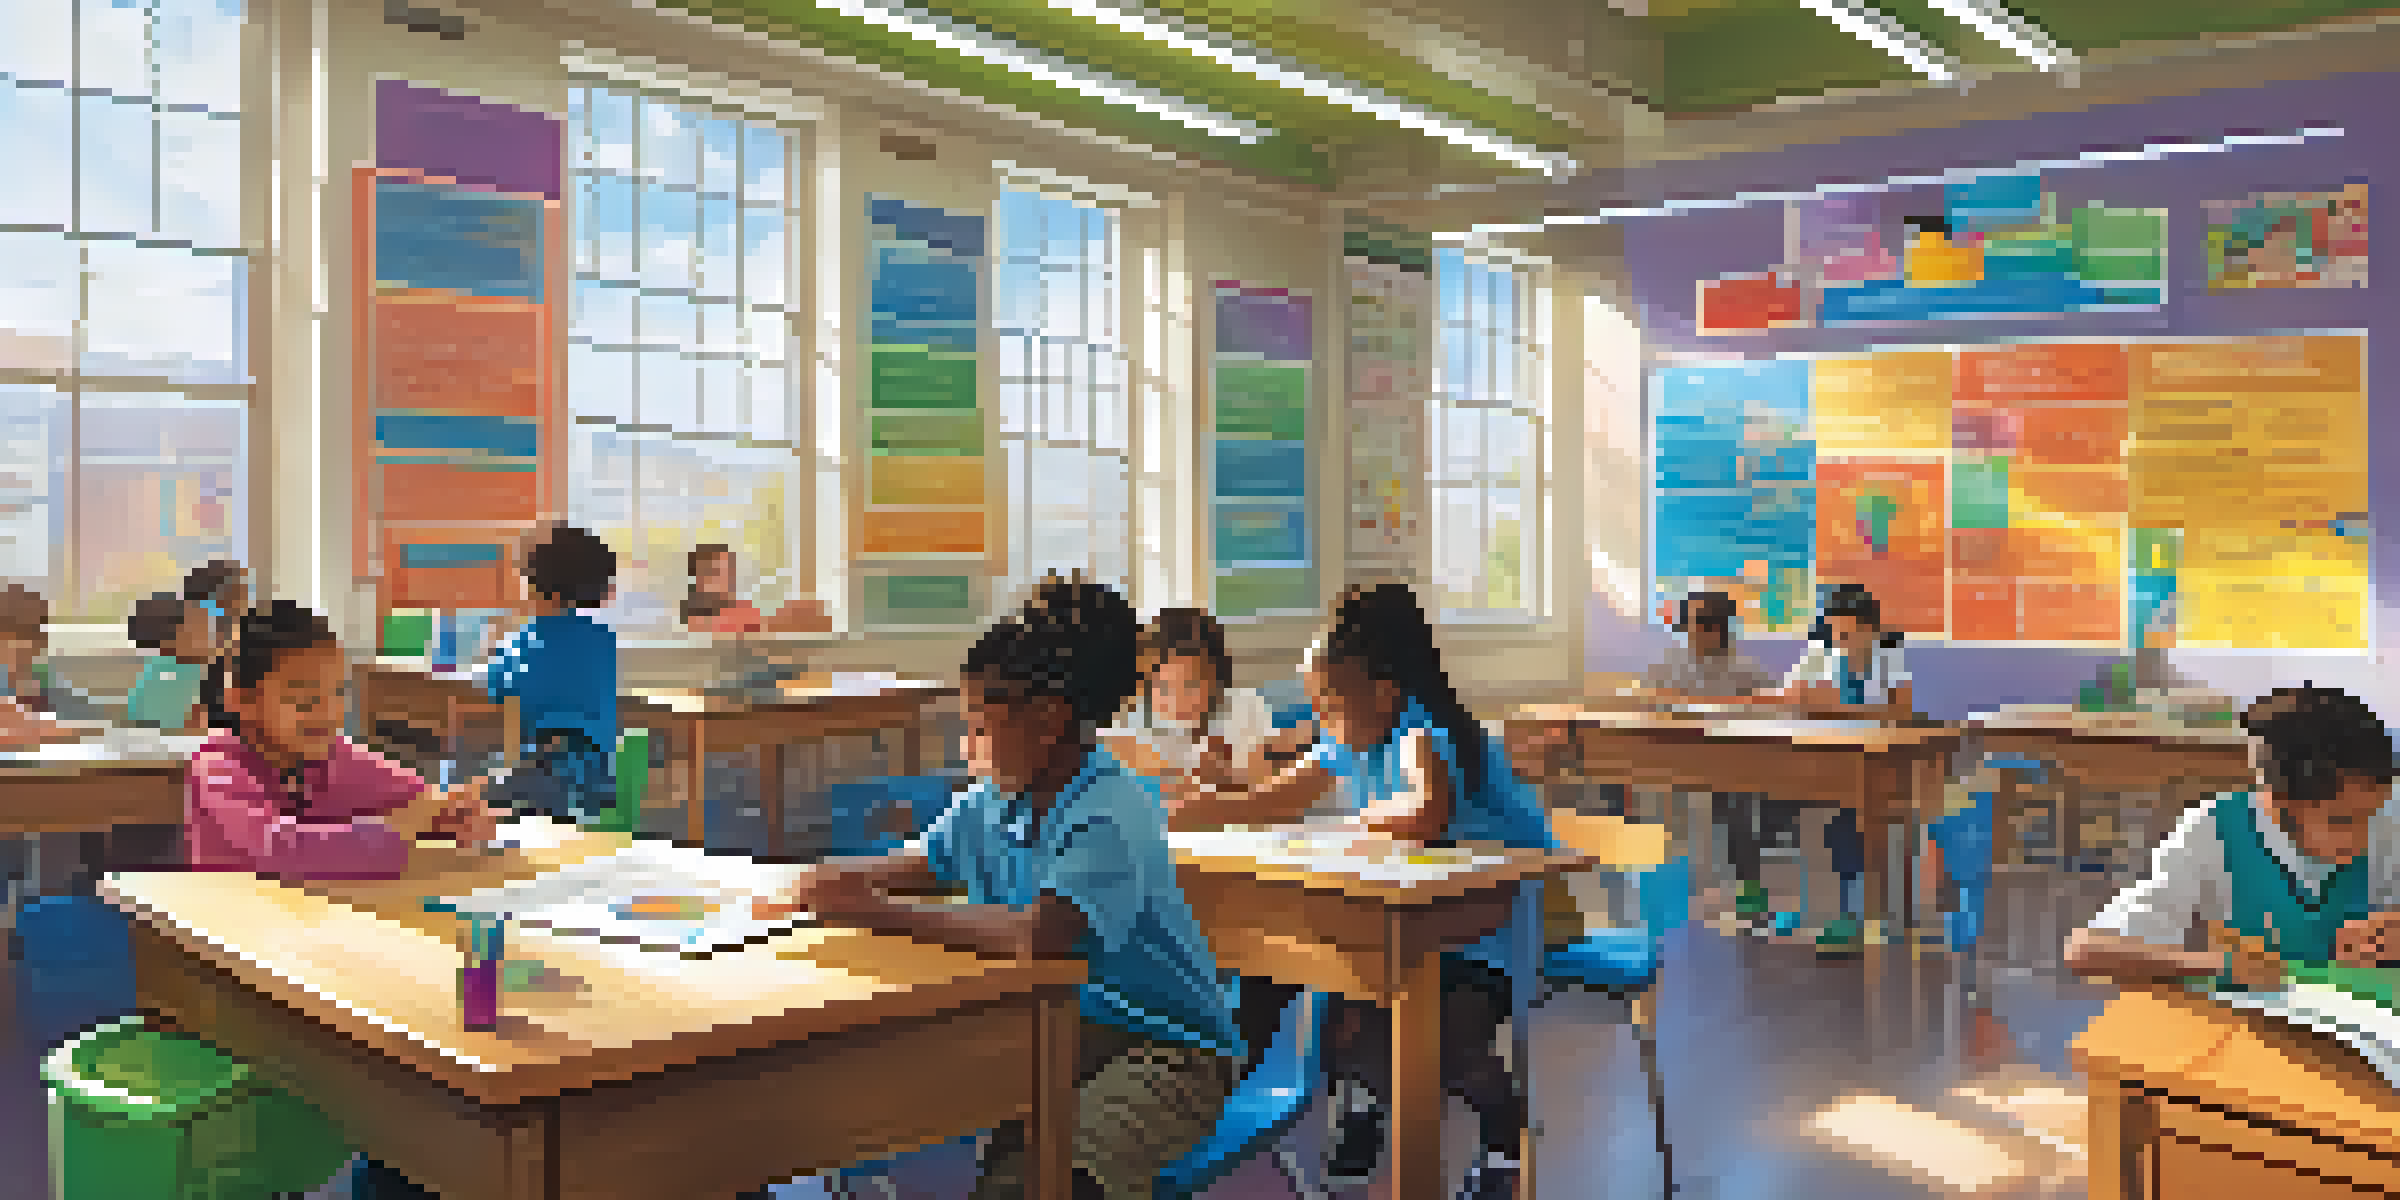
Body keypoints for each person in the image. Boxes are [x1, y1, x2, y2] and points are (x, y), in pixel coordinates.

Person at [755, 574, 1243, 1200]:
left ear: (1048, 722)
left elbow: (1042, 935)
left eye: (980, 728)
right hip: (1063, 1028)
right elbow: (919, 866)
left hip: (1166, 1050)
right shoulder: (990, 802)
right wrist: (820, 881)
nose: (967, 749)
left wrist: (875, 910)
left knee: (1048, 1182)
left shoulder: (1110, 809)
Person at [1169, 582, 1549, 1200]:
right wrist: (1203, 809)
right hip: (1402, 914)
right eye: (1314, 703)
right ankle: (1207, 1103)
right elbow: (1277, 799)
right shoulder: (1350, 736)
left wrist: (1348, 822)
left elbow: (1426, 810)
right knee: (1322, 1013)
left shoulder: (1422, 729)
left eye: (1329, 703)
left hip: (1482, 928)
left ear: (1384, 692)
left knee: (1443, 1042)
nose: (1320, 720)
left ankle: (1504, 1129)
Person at [2065, 685, 2400, 988]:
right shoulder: (2214, 831)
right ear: (2275, 801)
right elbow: (2087, 951)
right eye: (2342, 822)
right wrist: (2218, 966)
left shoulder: (2384, 814)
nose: (2362, 841)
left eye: (2371, 816)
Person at [185, 601, 501, 878]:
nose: (328, 713)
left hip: (311, 927)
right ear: (242, 701)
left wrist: (454, 816)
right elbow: (281, 851)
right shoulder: (218, 767)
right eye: (305, 700)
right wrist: (399, 825)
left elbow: (419, 802)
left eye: (338, 693)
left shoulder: (333, 758)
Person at [1753, 582, 1909, 950]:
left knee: (1848, 818)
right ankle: (1800, 907)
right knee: (1772, 806)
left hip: (1871, 760)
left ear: (1871, 630)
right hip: (1819, 755)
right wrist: (1804, 701)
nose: (1838, 639)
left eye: (1847, 632)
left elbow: (1902, 712)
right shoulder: (1819, 654)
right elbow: (1788, 699)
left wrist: (1837, 708)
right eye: (1833, 629)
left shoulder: (1889, 657)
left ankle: (1851, 913)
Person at [1642, 592, 1785, 922]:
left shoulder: (1744, 668)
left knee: (1739, 808)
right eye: (1688, 625)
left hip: (1732, 763)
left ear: (1717, 628)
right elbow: (1649, 703)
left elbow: (1774, 708)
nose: (1692, 633)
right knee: (1655, 804)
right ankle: (1664, 889)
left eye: (1699, 625)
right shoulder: (1669, 663)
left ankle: (1749, 889)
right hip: (1673, 759)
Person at [482, 522, 621, 824]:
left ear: (532, 582)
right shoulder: (604, 639)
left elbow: (502, 702)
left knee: (455, 783)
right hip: (599, 784)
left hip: (540, 785)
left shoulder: (516, 645)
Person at [1105, 607, 1311, 791]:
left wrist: (1230, 775)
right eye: (1165, 687)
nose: (1178, 699)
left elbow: (1264, 774)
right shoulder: (1132, 725)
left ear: (1217, 683)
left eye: (1192, 685)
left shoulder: (1241, 707)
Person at [680, 543, 829, 636]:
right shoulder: (694, 618)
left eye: (729, 572)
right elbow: (766, 626)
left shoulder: (740, 607)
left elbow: (769, 623)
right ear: (699, 577)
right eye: (718, 572)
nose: (727, 579)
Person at [126, 591, 217, 732]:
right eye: (199, 628)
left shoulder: (194, 670)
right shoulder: (167, 675)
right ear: (169, 641)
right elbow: (189, 728)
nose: (210, 636)